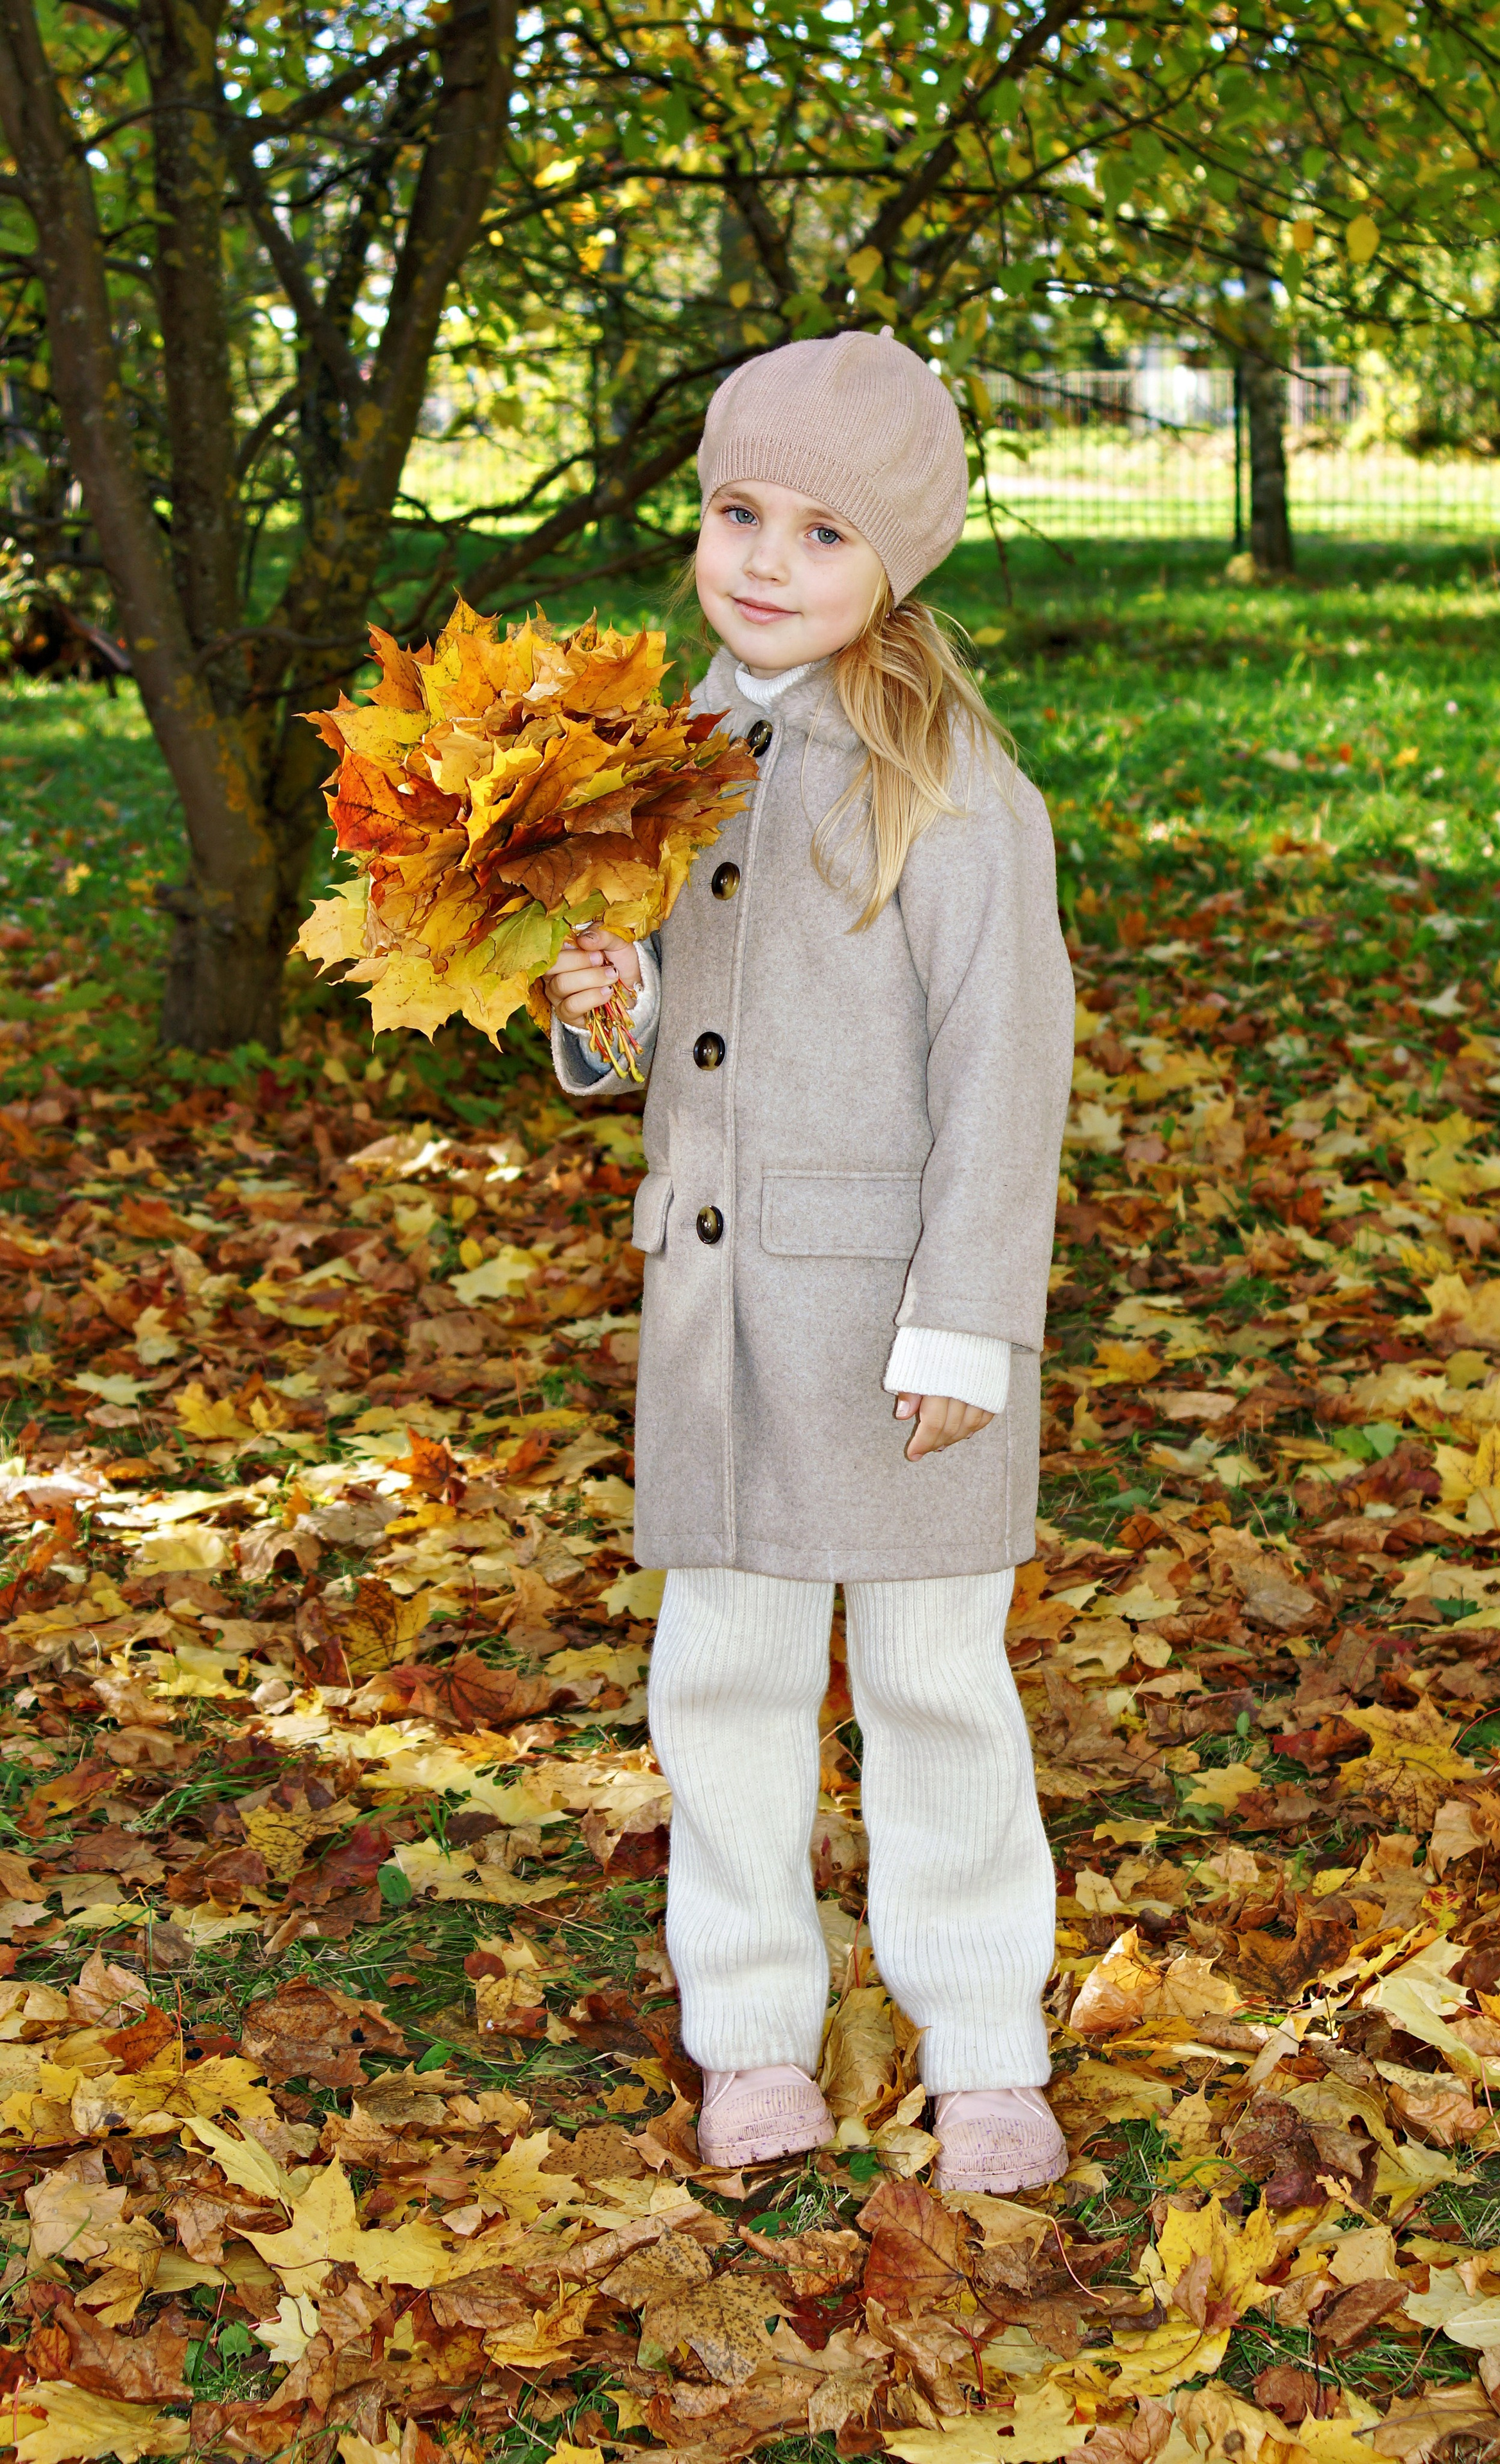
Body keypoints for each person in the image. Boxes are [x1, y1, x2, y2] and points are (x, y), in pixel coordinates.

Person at [540, 329, 1074, 2194]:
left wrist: (969, 1326)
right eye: (737, 513)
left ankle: (985, 2043)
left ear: (896, 560)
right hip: (721, 1319)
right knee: (725, 1687)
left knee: (936, 1685)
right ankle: (752, 2030)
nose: (766, 560)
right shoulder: (658, 764)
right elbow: (679, 1036)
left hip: (902, 1333)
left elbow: (1008, 1065)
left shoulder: (951, 784)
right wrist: (603, 1009)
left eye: (823, 531)